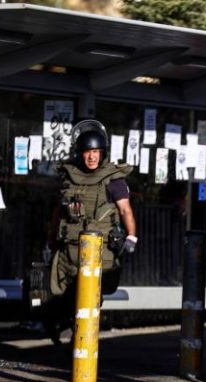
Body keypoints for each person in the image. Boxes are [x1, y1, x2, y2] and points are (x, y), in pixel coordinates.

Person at [45, 120, 137, 344]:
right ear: (80, 153)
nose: (92, 157)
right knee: (60, 293)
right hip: (69, 250)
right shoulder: (69, 177)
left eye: (96, 152)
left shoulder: (113, 180)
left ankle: (83, 341)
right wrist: (49, 242)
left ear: (102, 153)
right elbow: (58, 212)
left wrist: (132, 236)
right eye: (88, 152)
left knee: (90, 297)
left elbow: (125, 210)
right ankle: (67, 329)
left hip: (99, 252)